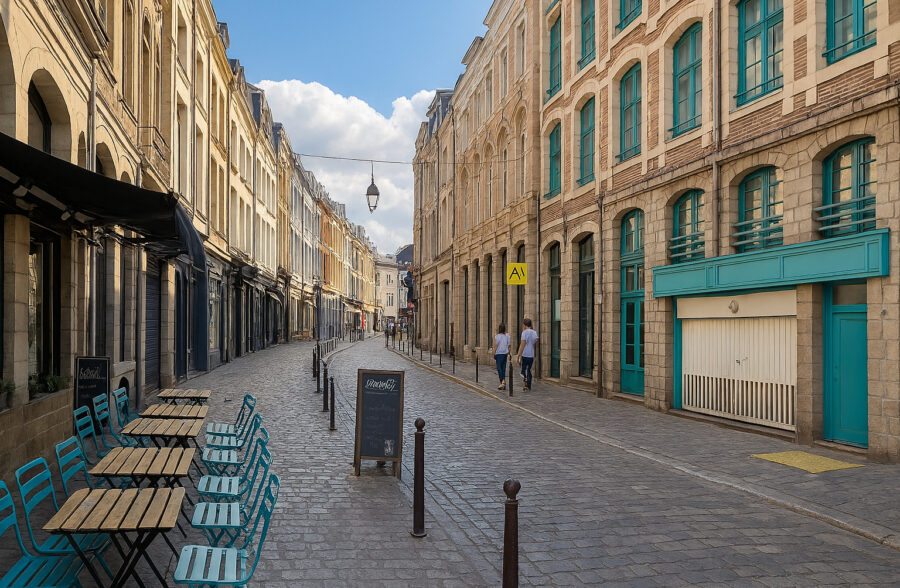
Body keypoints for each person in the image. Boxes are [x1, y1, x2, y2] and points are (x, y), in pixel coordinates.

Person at [515, 318, 538, 390]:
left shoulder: (524, 333)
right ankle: (528, 385)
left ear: (524, 325)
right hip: (531, 354)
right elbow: (536, 340)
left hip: (525, 354)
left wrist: (518, 355)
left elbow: (522, 344)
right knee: (529, 370)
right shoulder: (534, 332)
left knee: (523, 370)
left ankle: (526, 382)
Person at [490, 323, 511, 390]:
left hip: (499, 354)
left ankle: (502, 382)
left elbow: (495, 346)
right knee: (503, 368)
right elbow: (509, 346)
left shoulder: (497, 337)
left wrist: (493, 353)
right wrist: (508, 352)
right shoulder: (507, 336)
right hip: (504, 354)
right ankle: (503, 382)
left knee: (499, 369)